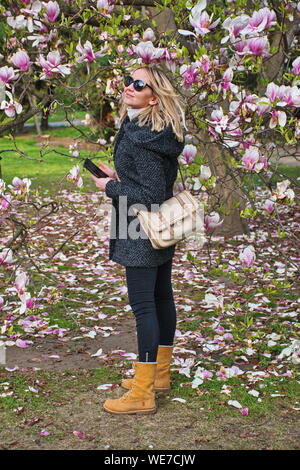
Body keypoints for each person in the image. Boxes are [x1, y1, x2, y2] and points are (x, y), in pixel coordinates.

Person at [90, 64, 186, 415]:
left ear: (154, 97)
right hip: (156, 228)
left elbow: (152, 192)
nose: (130, 86)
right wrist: (120, 175)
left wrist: (111, 186)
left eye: (139, 84)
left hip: (140, 229)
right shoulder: (152, 130)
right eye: (129, 81)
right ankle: (158, 375)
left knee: (145, 306)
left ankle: (144, 392)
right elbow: (150, 182)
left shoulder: (141, 138)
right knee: (161, 297)